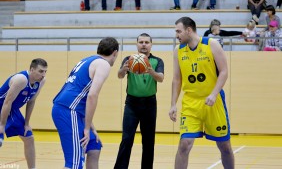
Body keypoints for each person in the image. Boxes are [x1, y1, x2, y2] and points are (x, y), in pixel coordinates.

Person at [169, 16, 234, 169]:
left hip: (213, 101)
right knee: (184, 145)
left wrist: (214, 93)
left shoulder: (211, 44)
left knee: (224, 146)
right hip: (191, 103)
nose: (176, 35)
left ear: (189, 30)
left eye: (179, 31)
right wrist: (173, 104)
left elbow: (224, 72)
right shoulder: (178, 50)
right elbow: (177, 79)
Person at [52, 37, 119, 169]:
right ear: (115, 53)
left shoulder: (87, 60)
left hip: (72, 111)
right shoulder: (103, 64)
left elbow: (81, 97)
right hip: (68, 111)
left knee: (94, 145)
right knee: (75, 163)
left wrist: (91, 127)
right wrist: (86, 128)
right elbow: (92, 96)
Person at [114, 33, 164, 169]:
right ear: (137, 44)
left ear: (151, 45)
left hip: (149, 104)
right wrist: (123, 70)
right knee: (126, 139)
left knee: (148, 141)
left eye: (146, 42)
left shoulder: (157, 61)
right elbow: (119, 76)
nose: (143, 45)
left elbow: (160, 78)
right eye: (141, 42)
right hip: (131, 104)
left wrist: (151, 71)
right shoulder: (128, 59)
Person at [0, 58, 48, 169]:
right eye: (41, 71)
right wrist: (2, 125)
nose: (43, 75)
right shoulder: (21, 79)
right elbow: (7, 102)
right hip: (3, 106)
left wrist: (27, 123)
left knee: (29, 138)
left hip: (12, 110)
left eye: (45, 71)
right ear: (32, 69)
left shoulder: (41, 82)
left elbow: (31, 101)